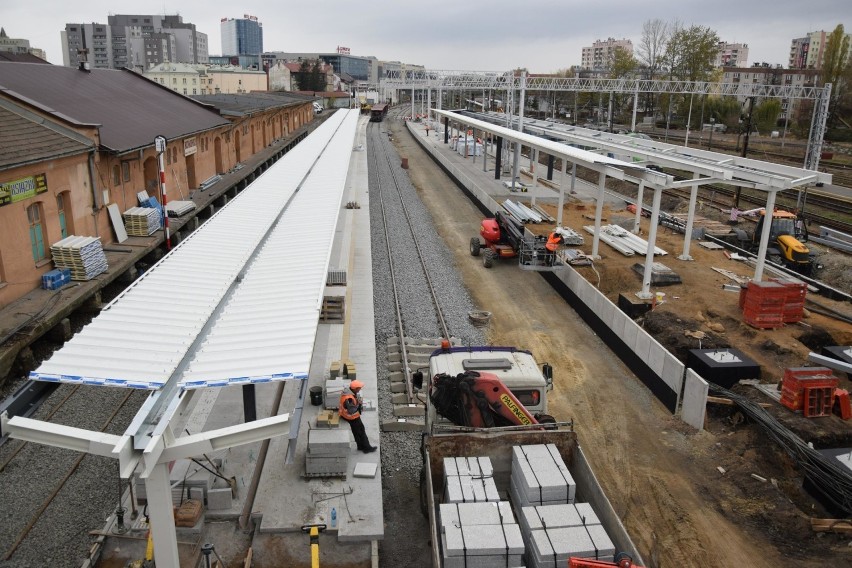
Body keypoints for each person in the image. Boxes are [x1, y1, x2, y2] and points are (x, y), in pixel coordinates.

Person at [338, 380, 376, 453]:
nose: (360, 389)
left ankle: (360, 446)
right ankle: (367, 448)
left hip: (346, 415)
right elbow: (351, 411)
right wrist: (359, 404)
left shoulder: (348, 392)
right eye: (359, 388)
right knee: (361, 431)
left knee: (356, 431)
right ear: (355, 388)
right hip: (352, 417)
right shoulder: (349, 399)